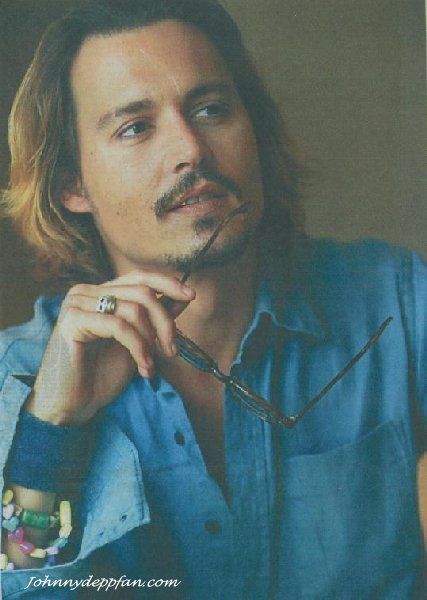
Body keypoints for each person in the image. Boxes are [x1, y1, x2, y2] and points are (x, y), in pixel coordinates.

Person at [0, 0, 425, 598]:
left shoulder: (397, 301)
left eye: (211, 109)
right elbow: (21, 580)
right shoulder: (18, 375)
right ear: (72, 183)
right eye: (135, 127)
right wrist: (52, 431)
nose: (191, 149)